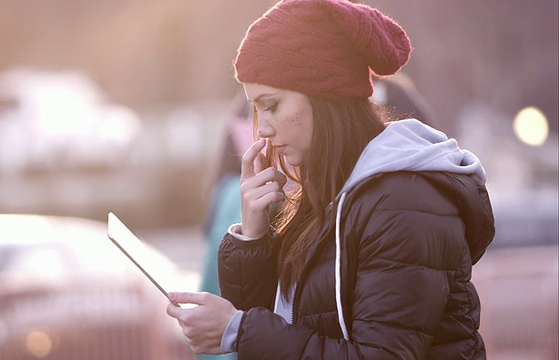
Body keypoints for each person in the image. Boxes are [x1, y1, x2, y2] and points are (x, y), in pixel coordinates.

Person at [167, 0, 495, 359]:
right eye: (254, 110)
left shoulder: (405, 201)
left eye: (272, 105)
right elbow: (283, 321)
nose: (263, 129)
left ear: (323, 95)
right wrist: (253, 238)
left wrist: (238, 330)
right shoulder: (328, 192)